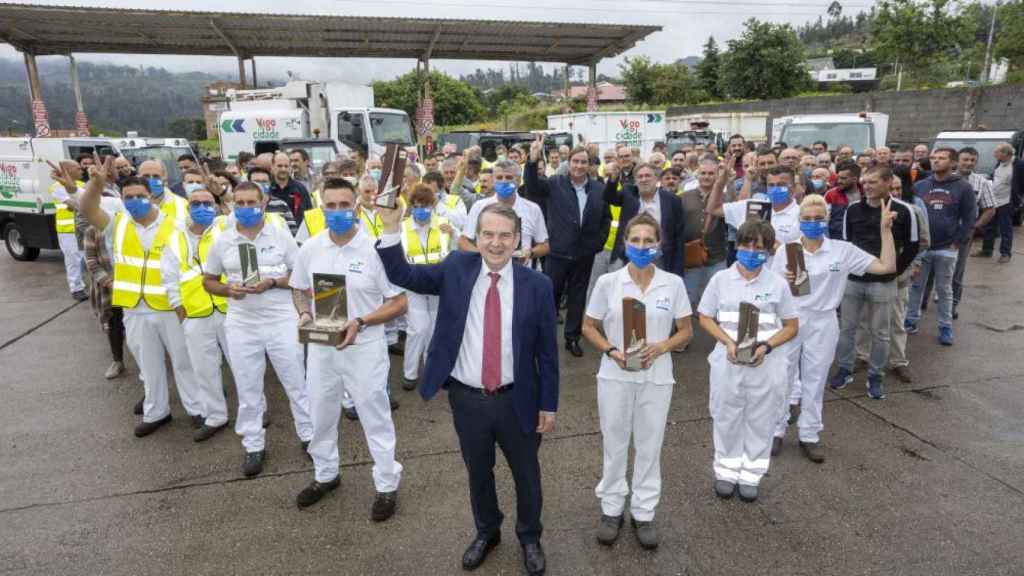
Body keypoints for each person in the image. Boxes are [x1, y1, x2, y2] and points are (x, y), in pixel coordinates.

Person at [376, 202, 558, 576]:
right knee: (479, 472)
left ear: (518, 239)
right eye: (488, 234)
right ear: (476, 237)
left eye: (505, 235)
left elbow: (547, 353)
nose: (496, 243)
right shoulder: (456, 268)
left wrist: (548, 404)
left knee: (527, 474)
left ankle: (529, 537)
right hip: (468, 399)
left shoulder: (537, 285)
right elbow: (401, 272)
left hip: (518, 398)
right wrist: (392, 228)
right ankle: (487, 532)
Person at [290, 178, 407, 515]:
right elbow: (298, 288)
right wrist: (303, 312)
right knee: (321, 414)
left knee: (375, 417)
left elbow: (399, 302)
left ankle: (386, 484)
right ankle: (326, 474)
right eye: (332, 206)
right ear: (322, 207)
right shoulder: (311, 248)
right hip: (323, 346)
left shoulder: (376, 250)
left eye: (345, 205)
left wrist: (363, 321)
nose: (338, 212)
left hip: (364, 347)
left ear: (356, 206)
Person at [581, 213, 693, 549]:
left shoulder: (672, 283)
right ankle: (612, 509)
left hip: (656, 378)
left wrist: (662, 346)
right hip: (614, 376)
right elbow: (588, 326)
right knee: (614, 444)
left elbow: (686, 331)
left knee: (649, 445)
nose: (642, 246)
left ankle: (644, 511)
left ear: (659, 245)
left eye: (649, 240)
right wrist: (612, 350)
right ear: (626, 243)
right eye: (636, 240)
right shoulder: (608, 283)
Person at [76, 160, 201, 437]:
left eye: (140, 197)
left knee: (183, 361)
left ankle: (197, 409)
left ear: (151, 196)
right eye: (129, 197)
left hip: (170, 306)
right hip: (134, 308)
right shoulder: (116, 224)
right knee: (148, 364)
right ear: (121, 199)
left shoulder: (176, 225)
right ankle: (157, 412)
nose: (135, 202)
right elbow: (86, 209)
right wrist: (96, 183)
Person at [770, 195, 896, 462]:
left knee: (815, 380)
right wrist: (783, 280)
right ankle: (776, 430)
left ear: (826, 219)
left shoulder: (842, 250)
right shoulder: (787, 250)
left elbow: (887, 266)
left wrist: (886, 231)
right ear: (799, 221)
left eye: (818, 218)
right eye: (807, 219)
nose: (813, 223)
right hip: (790, 319)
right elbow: (771, 289)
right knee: (783, 376)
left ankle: (810, 434)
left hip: (824, 320)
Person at [202, 181, 314, 477]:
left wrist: (273, 282)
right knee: (248, 387)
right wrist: (228, 290)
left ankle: (309, 436)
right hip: (241, 323)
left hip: (280, 319)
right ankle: (253, 445)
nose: (246, 208)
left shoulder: (279, 235)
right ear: (232, 205)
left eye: (252, 202)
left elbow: (299, 274)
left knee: (296, 382)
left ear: (263, 203)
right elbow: (208, 280)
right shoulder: (222, 240)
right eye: (240, 203)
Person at [697, 219, 798, 502]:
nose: (751, 251)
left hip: (765, 364)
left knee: (760, 419)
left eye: (759, 246)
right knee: (726, 416)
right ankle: (726, 471)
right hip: (727, 363)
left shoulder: (777, 284)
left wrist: (766, 345)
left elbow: (791, 326)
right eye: (746, 244)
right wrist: (727, 342)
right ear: (737, 245)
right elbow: (704, 316)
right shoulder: (720, 280)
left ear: (768, 251)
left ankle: (751, 474)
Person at [159, 177, 240, 443]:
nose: (202, 208)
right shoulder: (174, 239)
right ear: (187, 207)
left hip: (229, 308)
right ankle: (215, 415)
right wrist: (178, 307)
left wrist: (224, 194)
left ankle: (254, 412)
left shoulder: (225, 228)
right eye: (196, 203)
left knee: (242, 364)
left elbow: (239, 210)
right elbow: (170, 277)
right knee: (204, 368)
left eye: (208, 203)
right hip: (194, 313)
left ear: (215, 207)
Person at [830, 165, 919, 399]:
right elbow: (847, 243)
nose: (867, 186)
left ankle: (875, 375)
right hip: (854, 281)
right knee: (847, 328)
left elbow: (912, 245)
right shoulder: (852, 210)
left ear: (888, 182)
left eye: (872, 182)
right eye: (865, 182)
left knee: (881, 332)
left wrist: (895, 272)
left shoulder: (904, 210)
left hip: (884, 283)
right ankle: (845, 368)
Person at [524, 137, 611, 358]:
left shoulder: (600, 189)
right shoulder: (555, 183)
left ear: (590, 165)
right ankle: (544, 339)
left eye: (584, 162)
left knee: (577, 298)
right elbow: (532, 186)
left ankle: (572, 338)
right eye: (576, 162)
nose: (580, 166)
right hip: (558, 253)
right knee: (550, 296)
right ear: (569, 163)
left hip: (584, 254)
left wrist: (596, 243)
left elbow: (606, 220)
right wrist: (533, 160)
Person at [904, 148, 976, 345]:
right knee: (916, 286)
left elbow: (970, 218)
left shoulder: (963, 187)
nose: (936, 161)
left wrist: (957, 243)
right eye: (934, 158)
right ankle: (911, 320)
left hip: (947, 248)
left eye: (941, 158)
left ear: (953, 163)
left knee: (945, 290)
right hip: (922, 248)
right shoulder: (920, 186)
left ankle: (945, 326)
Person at [399, 183, 454, 389]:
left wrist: (454, 233)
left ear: (433, 205)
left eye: (426, 205)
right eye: (417, 205)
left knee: (435, 330)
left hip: (438, 285)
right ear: (411, 206)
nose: (422, 209)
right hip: (413, 285)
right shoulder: (402, 227)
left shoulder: (443, 225)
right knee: (418, 329)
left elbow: (454, 251)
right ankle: (410, 374)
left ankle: (432, 369)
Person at [460, 160, 549, 268]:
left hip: (520, 272)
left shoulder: (532, 209)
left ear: (518, 180)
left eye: (508, 178)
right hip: (487, 272)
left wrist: (530, 253)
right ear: (493, 180)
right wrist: (483, 255)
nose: (503, 181)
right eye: (499, 178)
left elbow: (545, 245)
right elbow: (463, 241)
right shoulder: (479, 207)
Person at [603, 162, 686, 277]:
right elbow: (609, 197)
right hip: (628, 255)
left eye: (648, 176)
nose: (644, 179)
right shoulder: (629, 193)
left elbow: (678, 235)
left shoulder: (672, 200)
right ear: (635, 181)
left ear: (656, 178)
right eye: (640, 177)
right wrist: (613, 179)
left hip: (658, 255)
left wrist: (677, 270)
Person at [952, 147, 997, 316]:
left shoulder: (982, 182)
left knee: (958, 270)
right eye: (966, 159)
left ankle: (952, 306)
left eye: (972, 160)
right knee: (932, 269)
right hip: (940, 233)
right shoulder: (946, 179)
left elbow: (990, 209)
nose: (969, 163)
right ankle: (923, 303)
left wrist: (974, 227)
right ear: (957, 161)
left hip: (964, 234)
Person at [680, 157, 730, 306]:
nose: (707, 176)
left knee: (718, 300)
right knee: (689, 300)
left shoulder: (724, 197)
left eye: (711, 173)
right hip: (691, 257)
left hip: (717, 257)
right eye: (703, 173)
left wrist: (730, 182)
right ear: (697, 175)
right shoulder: (684, 197)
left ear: (716, 175)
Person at [46, 160, 88, 301]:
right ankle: (76, 288)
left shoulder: (81, 185)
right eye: (78, 168)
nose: (82, 170)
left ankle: (86, 284)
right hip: (68, 230)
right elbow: (75, 205)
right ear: (68, 170)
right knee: (73, 260)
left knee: (87, 258)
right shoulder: (57, 187)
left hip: (84, 227)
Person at [976, 143, 1016, 263]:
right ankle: (986, 250)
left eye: (997, 152)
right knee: (989, 227)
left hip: (1007, 202)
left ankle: (1005, 253)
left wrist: (1018, 200)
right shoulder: (999, 163)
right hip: (994, 200)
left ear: (1005, 153)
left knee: (1005, 229)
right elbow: (995, 178)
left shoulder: (1018, 165)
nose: (994, 154)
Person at [269, 151, 313, 235]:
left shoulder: (300, 189)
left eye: (286, 166)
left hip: (298, 238)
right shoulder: (267, 190)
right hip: (273, 238)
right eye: (280, 166)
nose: (283, 169)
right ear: (272, 167)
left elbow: (309, 215)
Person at [824, 161, 862, 239]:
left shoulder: (866, 193)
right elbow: (824, 221)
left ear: (854, 179)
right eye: (838, 178)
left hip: (860, 240)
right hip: (837, 240)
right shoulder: (831, 195)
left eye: (843, 178)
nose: (839, 181)